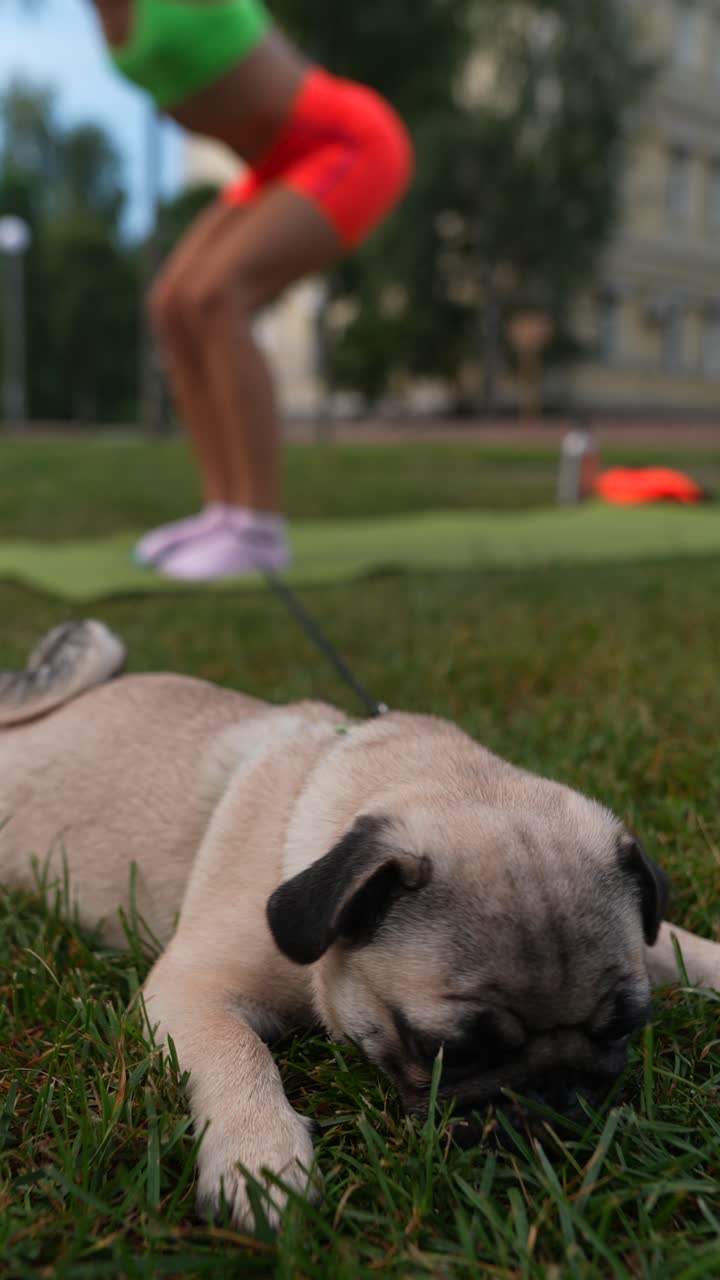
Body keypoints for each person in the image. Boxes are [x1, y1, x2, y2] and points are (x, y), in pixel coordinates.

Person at [93, 0, 413, 580]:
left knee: (218, 295)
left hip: (344, 143)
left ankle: (259, 528)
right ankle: (224, 513)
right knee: (172, 305)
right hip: (273, 167)